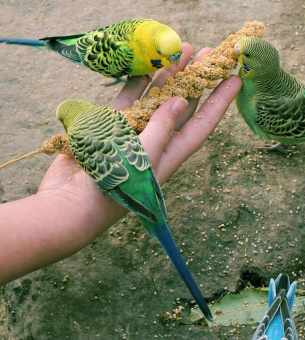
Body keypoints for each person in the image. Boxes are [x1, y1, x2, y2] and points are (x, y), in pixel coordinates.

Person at [0, 43, 242, 284]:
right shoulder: (109, 116)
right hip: (140, 171)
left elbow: (108, 179)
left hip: (128, 186)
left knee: (155, 221)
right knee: (158, 222)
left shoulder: (78, 139)